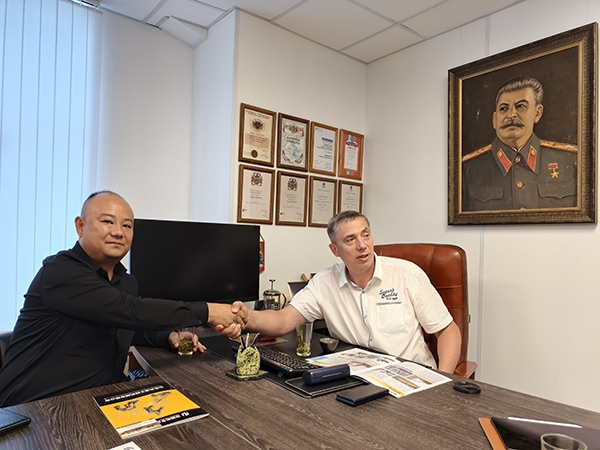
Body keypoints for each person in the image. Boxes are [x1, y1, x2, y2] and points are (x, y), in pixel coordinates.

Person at [0, 191, 247, 407]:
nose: (118, 232)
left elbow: (125, 326)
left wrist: (168, 336)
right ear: (80, 226)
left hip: (96, 400)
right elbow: (129, 310)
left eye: (127, 226)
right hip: (34, 408)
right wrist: (209, 311)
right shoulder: (60, 271)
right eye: (107, 221)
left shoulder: (125, 282)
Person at [234, 210, 461, 373]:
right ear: (335, 250)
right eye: (350, 240)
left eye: (365, 235)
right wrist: (247, 317)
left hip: (412, 378)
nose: (362, 245)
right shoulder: (324, 282)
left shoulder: (407, 275)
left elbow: (447, 331)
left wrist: (443, 381)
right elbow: (284, 320)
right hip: (358, 378)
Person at [462, 76, 578, 211]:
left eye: (520, 106)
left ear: (537, 113)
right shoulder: (467, 169)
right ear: (494, 120)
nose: (511, 115)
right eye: (503, 108)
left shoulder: (571, 160)